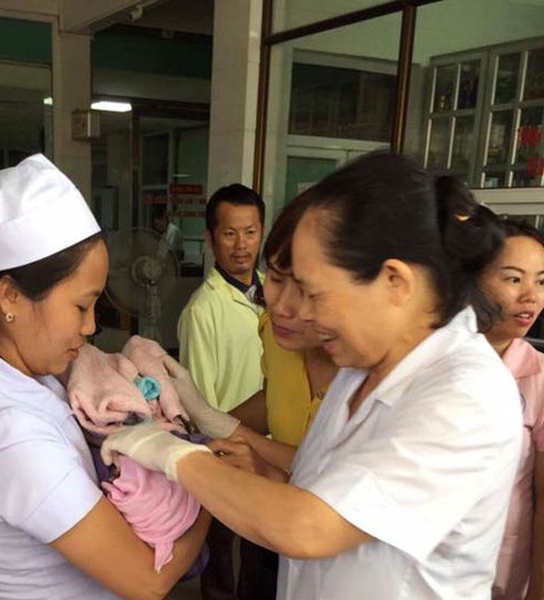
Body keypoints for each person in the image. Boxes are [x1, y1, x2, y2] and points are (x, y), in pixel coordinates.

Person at [103, 152, 523, 599]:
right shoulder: (361, 370)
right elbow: (329, 492)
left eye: (313, 292)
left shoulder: (467, 395)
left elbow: (310, 527)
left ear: (395, 283)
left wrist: (171, 454)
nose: (300, 313)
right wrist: (259, 471)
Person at [0, 154, 210, 600]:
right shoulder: (7, 434)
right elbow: (149, 579)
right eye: (81, 306)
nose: (90, 327)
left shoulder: (15, 369)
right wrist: (207, 491)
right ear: (10, 297)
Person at [230, 191, 339, 599]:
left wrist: (238, 440)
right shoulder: (275, 334)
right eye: (275, 278)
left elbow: (323, 475)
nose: (280, 306)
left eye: (306, 289)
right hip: (266, 517)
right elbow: (272, 395)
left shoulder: (369, 374)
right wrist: (201, 422)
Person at [176, 182, 265, 599]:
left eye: (250, 232)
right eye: (230, 233)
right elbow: (198, 403)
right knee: (222, 566)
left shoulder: (274, 294)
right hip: (227, 455)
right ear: (211, 239)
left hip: (271, 453)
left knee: (260, 564)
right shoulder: (202, 310)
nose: (241, 245)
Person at [479, 220, 544, 600]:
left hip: (503, 577)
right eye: (514, 279)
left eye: (541, 281)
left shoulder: (538, 376)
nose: (531, 296)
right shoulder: (430, 363)